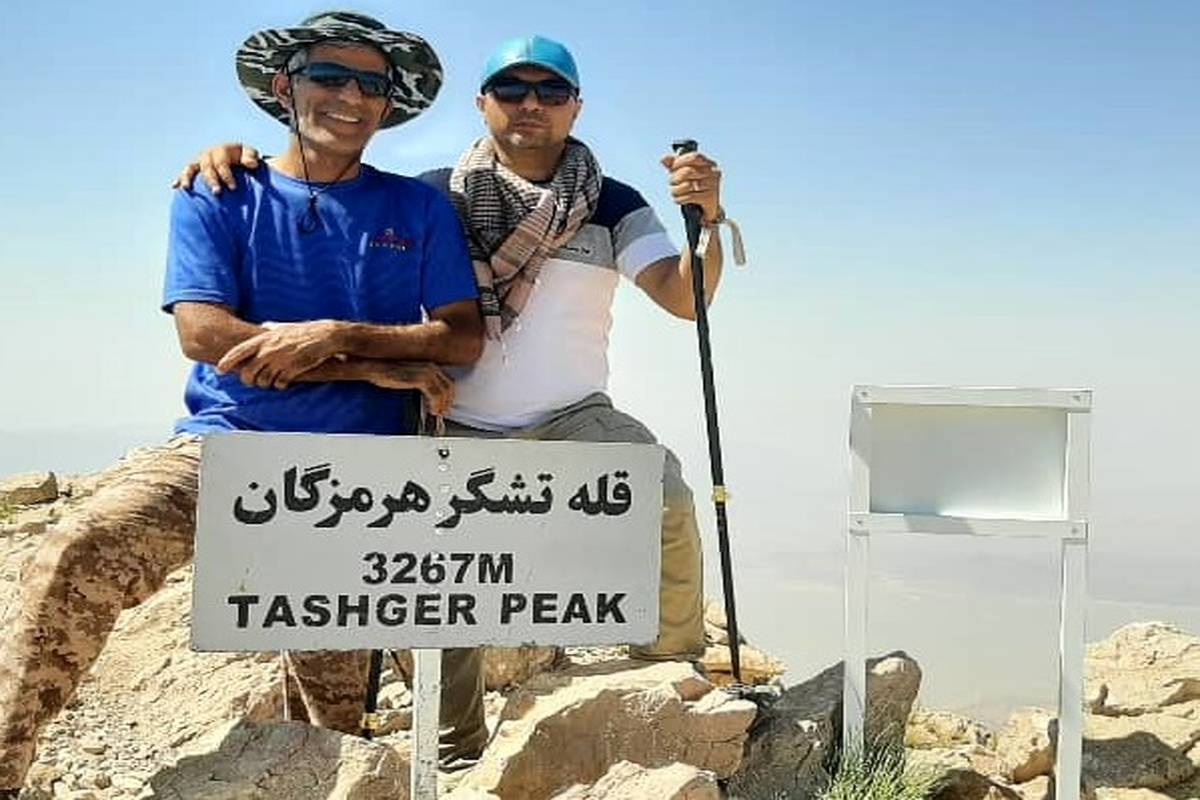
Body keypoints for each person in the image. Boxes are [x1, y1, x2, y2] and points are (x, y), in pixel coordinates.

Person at [178, 31, 739, 768]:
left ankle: (668, 671)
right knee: (448, 584)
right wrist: (234, 156)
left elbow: (684, 297)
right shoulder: (438, 194)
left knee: (663, 495)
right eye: (511, 89)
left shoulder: (612, 204)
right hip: (454, 417)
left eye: (550, 91)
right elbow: (338, 190)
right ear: (483, 103)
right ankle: (453, 748)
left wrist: (708, 220)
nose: (530, 104)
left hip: (573, 414)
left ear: (576, 107)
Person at [0, 12, 486, 795]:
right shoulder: (220, 190)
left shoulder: (417, 208)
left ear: (389, 104)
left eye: (371, 84)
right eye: (330, 75)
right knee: (77, 551)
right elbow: (204, 333)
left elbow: (461, 338)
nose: (351, 96)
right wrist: (366, 367)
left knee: (329, 729)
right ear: (285, 86)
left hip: (358, 486)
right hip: (223, 447)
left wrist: (334, 335)